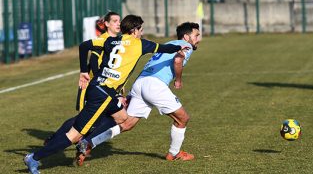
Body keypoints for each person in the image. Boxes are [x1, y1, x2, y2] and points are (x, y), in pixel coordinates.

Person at [23, 15, 189, 174]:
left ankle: (87, 141)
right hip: (102, 93)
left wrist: (83, 71)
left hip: (101, 89)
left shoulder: (110, 40)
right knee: (74, 135)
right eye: (141, 30)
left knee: (122, 117)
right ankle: (35, 158)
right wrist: (179, 47)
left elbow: (84, 46)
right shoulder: (140, 44)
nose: (142, 33)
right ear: (134, 30)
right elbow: (164, 48)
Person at [75, 22, 201, 165]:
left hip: (140, 83)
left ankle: (88, 143)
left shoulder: (169, 43)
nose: (198, 39)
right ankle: (174, 153)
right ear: (186, 37)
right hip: (154, 85)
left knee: (128, 124)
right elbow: (178, 60)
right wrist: (178, 80)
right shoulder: (185, 45)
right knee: (182, 118)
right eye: (196, 35)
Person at [42, 12, 122, 147]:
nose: (118, 23)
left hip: (106, 87)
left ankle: (83, 142)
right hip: (92, 85)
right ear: (107, 24)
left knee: (102, 117)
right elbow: (94, 61)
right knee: (81, 119)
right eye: (114, 21)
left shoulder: (119, 41)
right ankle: (54, 140)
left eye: (119, 21)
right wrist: (99, 80)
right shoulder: (103, 39)